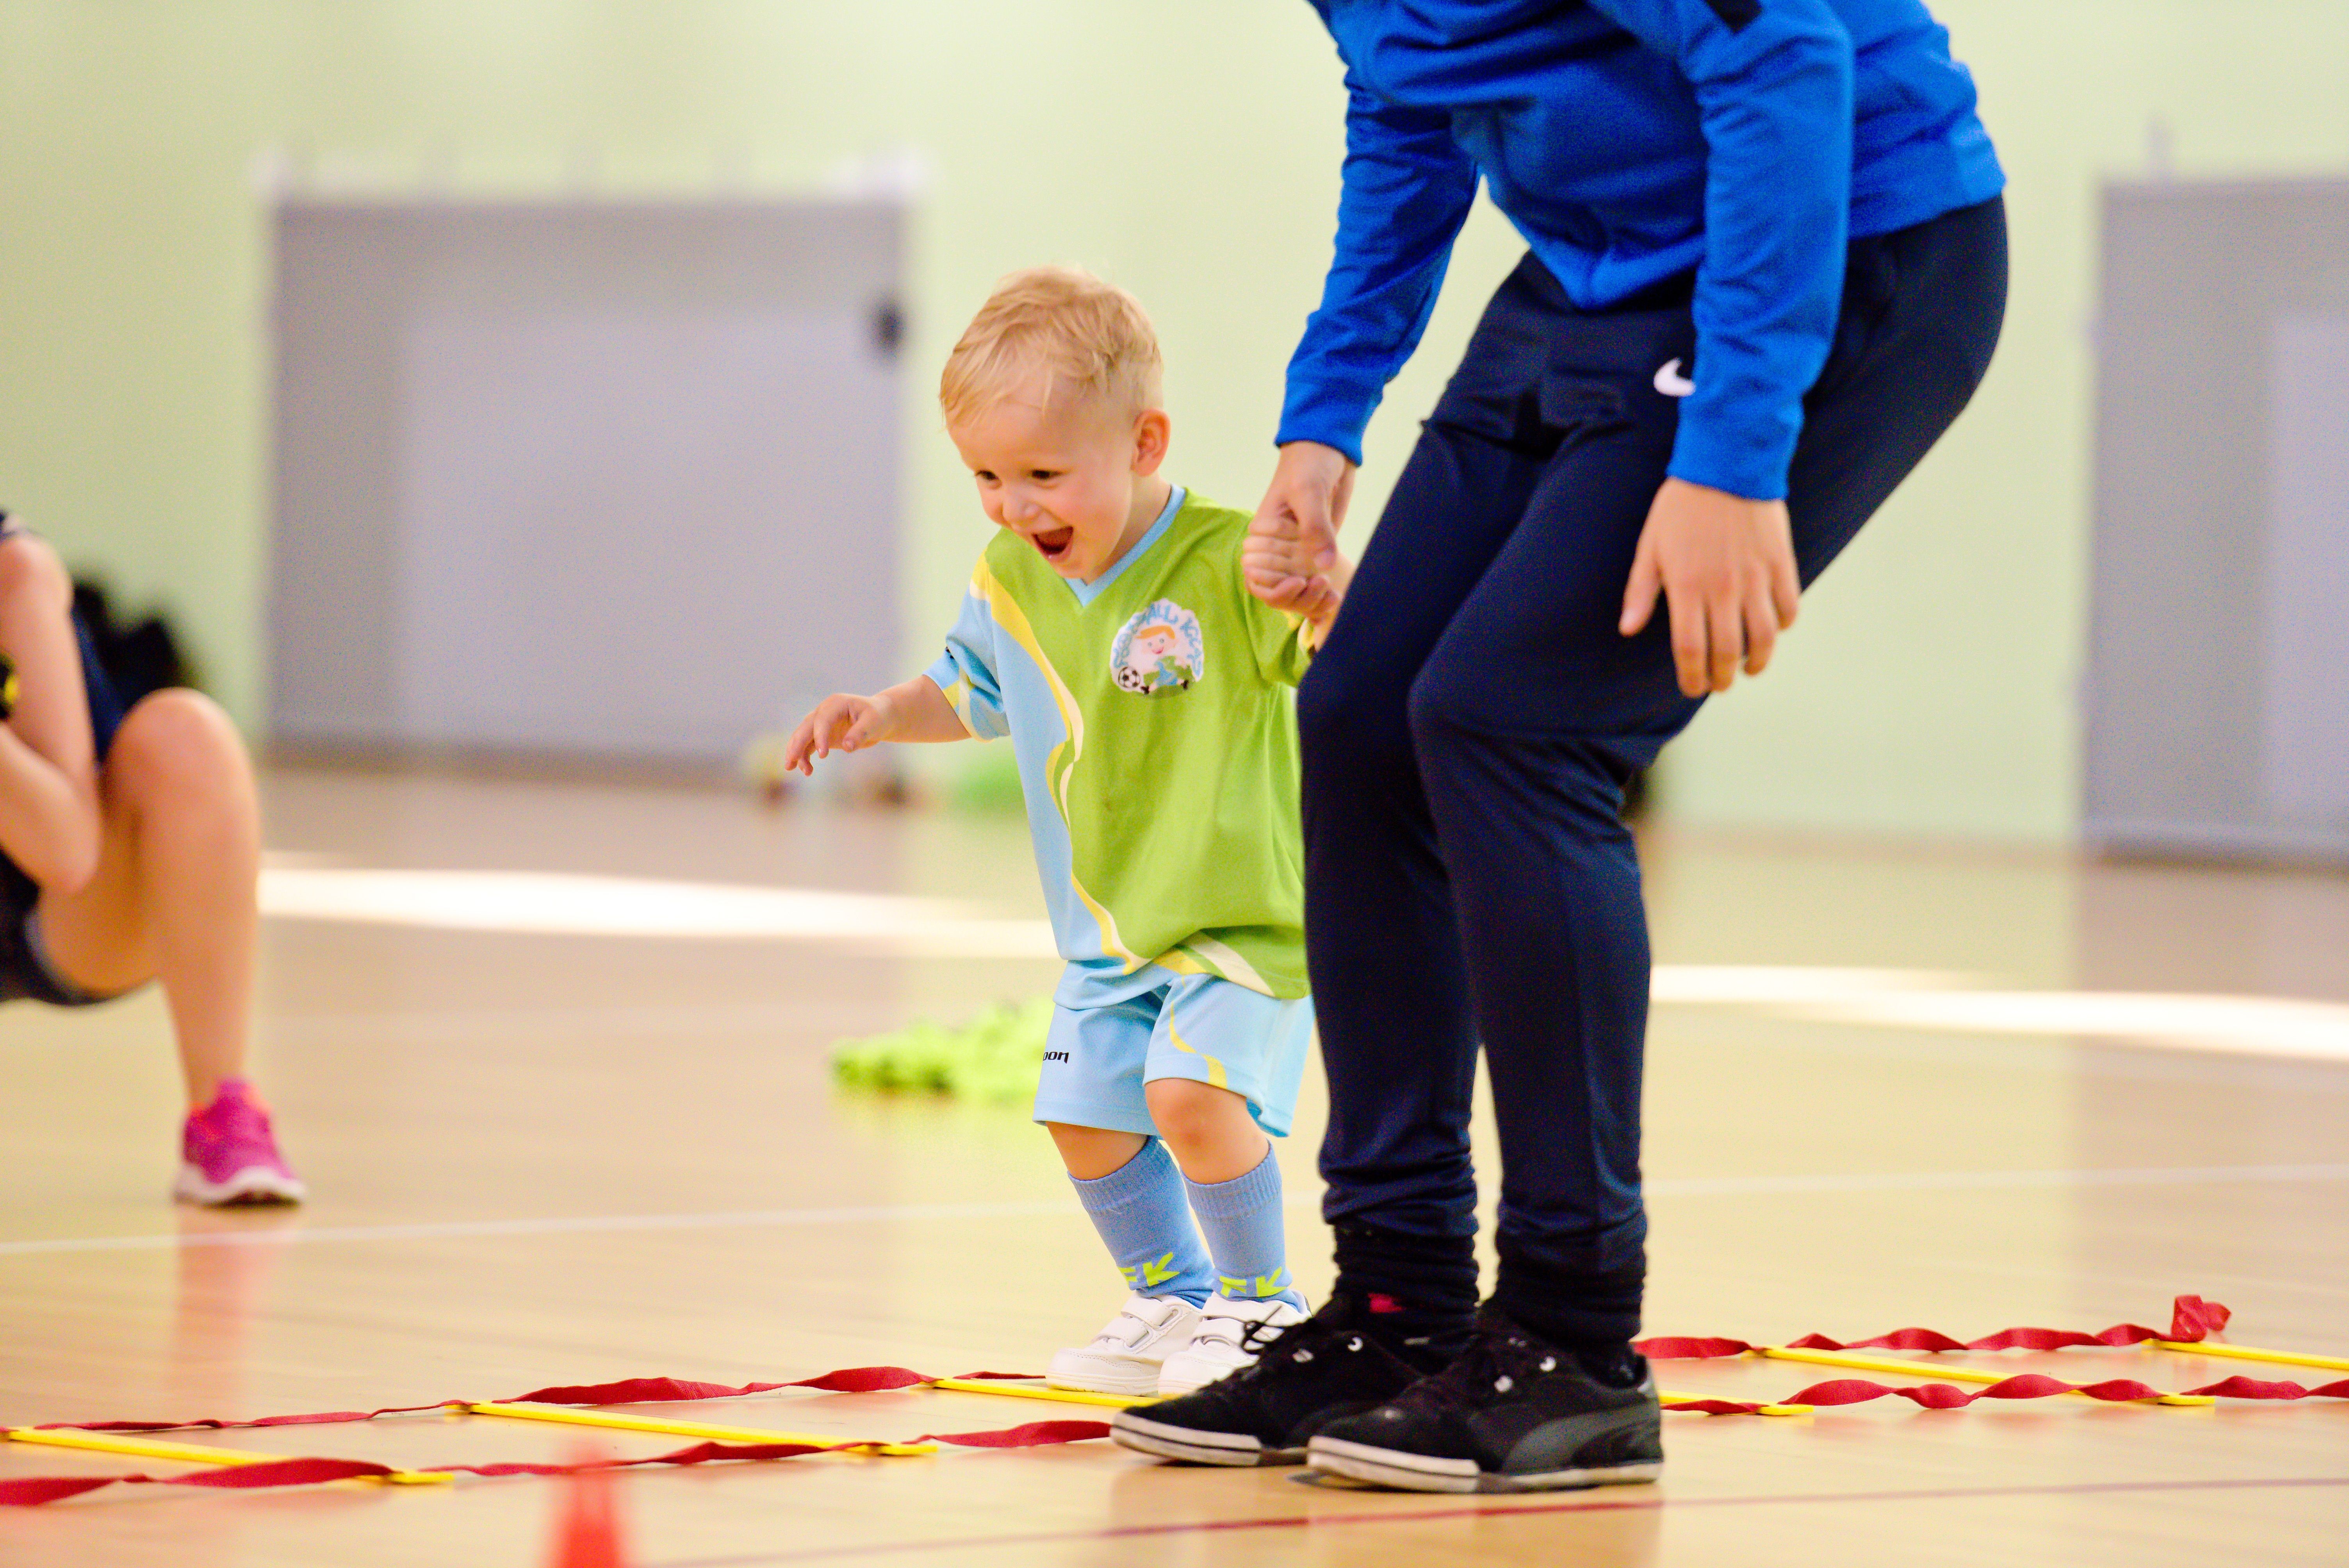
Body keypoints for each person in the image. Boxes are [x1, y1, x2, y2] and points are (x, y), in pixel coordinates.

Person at [1117, 0, 2007, 1491]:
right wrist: (1321, 423)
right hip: (1603, 267)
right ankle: (1398, 1303)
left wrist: (1734, 452)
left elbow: (1784, 54)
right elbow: (1407, 102)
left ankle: (1574, 1337)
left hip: (1842, 236)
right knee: (1357, 718)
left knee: (1514, 725)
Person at [784, 267, 1351, 1403]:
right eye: (986, 476)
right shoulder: (1010, 577)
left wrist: (1326, 596)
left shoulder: (1229, 561)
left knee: (1191, 1101)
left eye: (1043, 474)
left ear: (1145, 443)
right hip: (1106, 924)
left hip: (1239, 916)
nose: (1011, 504)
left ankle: (1261, 1307)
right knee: (1083, 1114)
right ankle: (1174, 1297)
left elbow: (1334, 648)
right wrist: (885, 715)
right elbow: (972, 686)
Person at [0, 514, 303, 1204]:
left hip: (52, 913)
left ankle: (221, 1116)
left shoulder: (15, 575)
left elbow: (66, 851)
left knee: (189, 738)